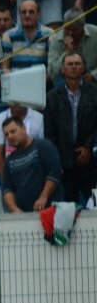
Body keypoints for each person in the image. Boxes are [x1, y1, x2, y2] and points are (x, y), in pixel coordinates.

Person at [44, 51, 97, 204]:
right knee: (68, 210)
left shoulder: (94, 93)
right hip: (64, 165)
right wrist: (56, 161)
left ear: (83, 68)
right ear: (62, 69)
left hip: (91, 164)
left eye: (77, 64)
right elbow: (49, 134)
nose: (74, 67)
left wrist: (89, 147)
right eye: (70, 64)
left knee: (96, 204)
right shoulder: (52, 97)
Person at [2, 0, 49, 73]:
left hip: (42, 82)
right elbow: (5, 66)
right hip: (16, 81)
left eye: (31, 12)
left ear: (38, 14)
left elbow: (52, 67)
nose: (27, 15)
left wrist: (42, 84)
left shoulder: (49, 34)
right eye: (23, 12)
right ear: (19, 15)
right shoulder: (8, 36)